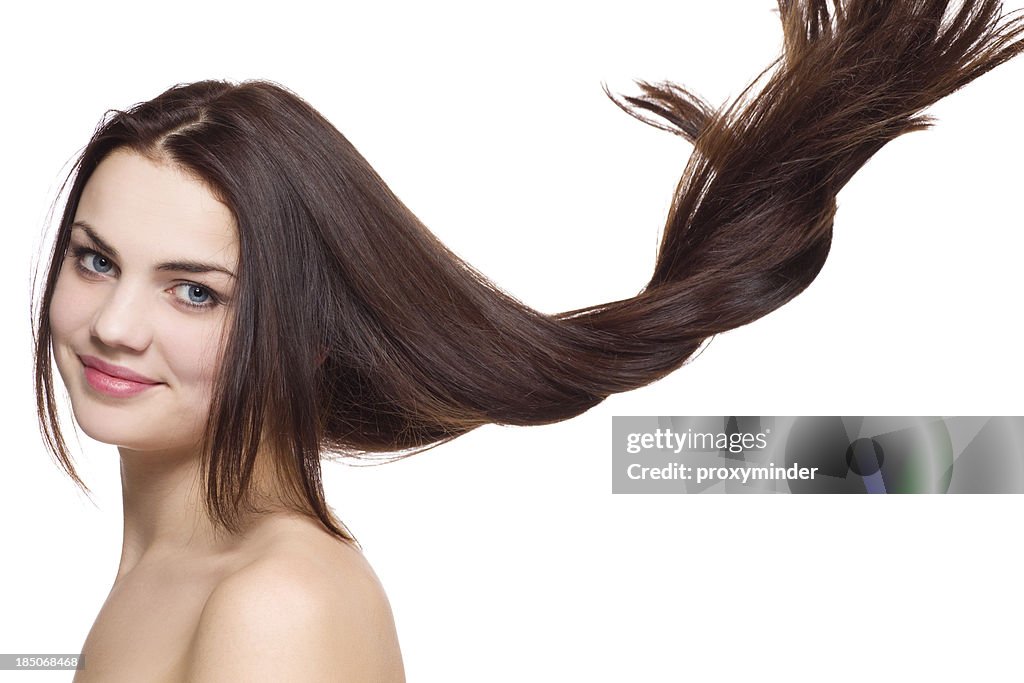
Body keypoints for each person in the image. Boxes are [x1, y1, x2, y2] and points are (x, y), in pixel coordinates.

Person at [29, 1, 1024, 680]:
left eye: (195, 292)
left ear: (310, 330)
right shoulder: (167, 570)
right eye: (96, 261)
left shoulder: (277, 603)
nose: (115, 325)